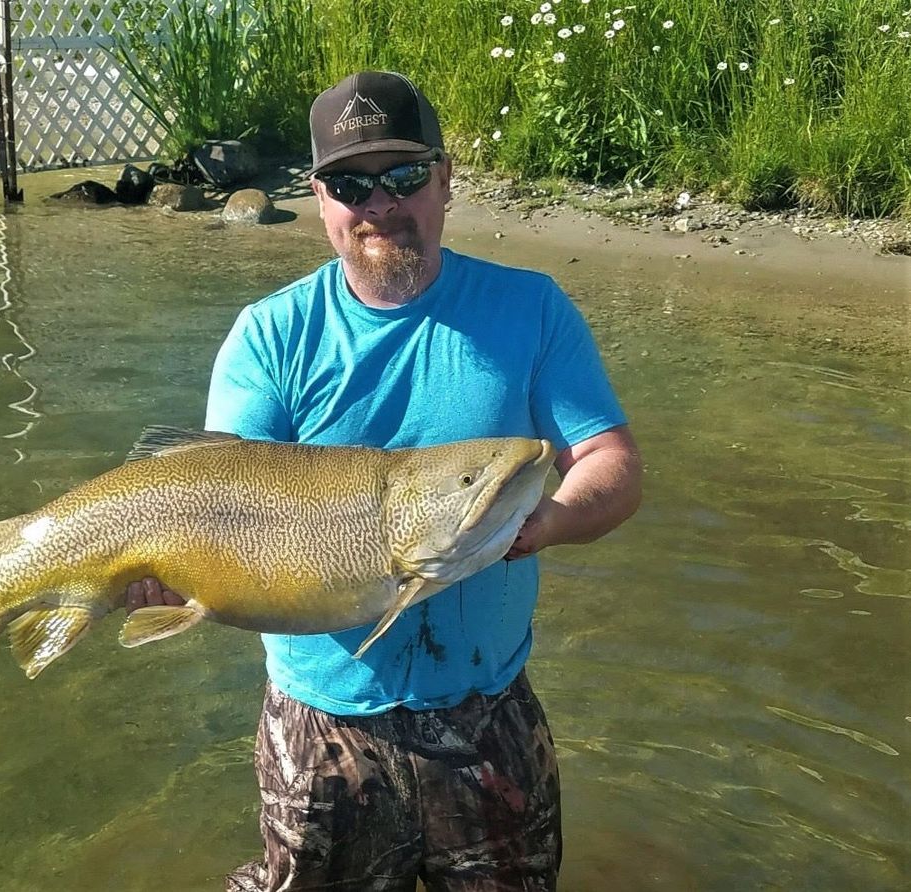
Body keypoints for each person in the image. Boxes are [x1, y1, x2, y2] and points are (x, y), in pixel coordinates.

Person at [127, 70, 643, 891]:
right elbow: (219, 499)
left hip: (490, 711)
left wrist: (545, 523)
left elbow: (610, 463)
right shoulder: (269, 336)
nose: (379, 205)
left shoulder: (532, 308)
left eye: (403, 177)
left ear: (445, 181)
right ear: (318, 197)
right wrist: (175, 582)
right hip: (318, 721)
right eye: (349, 183)